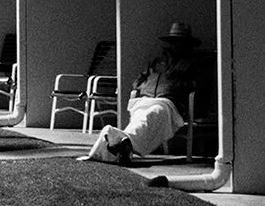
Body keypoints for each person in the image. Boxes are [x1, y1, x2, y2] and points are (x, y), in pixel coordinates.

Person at [85, 23, 199, 165]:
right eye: (174, 41)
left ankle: (118, 141)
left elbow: (195, 86)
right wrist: (147, 85)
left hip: (169, 103)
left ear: (187, 44)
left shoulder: (191, 63)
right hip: (145, 100)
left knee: (154, 114)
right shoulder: (157, 62)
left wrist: (172, 82)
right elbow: (137, 82)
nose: (177, 45)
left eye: (181, 42)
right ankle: (123, 144)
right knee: (141, 118)